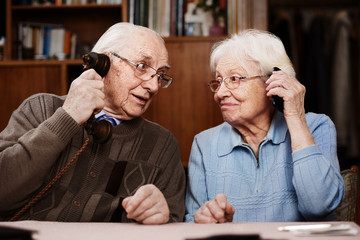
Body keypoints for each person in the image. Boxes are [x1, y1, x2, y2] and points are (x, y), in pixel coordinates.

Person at [0, 23, 185, 224]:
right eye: (142, 66)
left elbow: (174, 221)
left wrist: (163, 215)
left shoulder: (163, 144)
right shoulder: (40, 108)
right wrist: (67, 117)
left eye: (160, 74)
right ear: (104, 62)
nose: (153, 86)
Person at [184, 29, 345, 223]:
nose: (219, 93)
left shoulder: (316, 126)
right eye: (218, 82)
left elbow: (319, 206)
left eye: (234, 79)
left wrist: (295, 117)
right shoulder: (204, 144)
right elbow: (192, 222)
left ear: (274, 81)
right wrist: (204, 221)